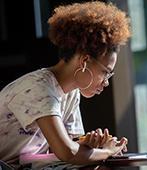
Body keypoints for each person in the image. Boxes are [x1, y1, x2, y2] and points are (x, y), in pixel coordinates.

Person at [0, 1, 131, 169]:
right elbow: (68, 152)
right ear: (84, 60)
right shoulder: (39, 88)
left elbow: (72, 149)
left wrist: (90, 145)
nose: (106, 82)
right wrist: (107, 151)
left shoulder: (71, 93)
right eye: (106, 72)